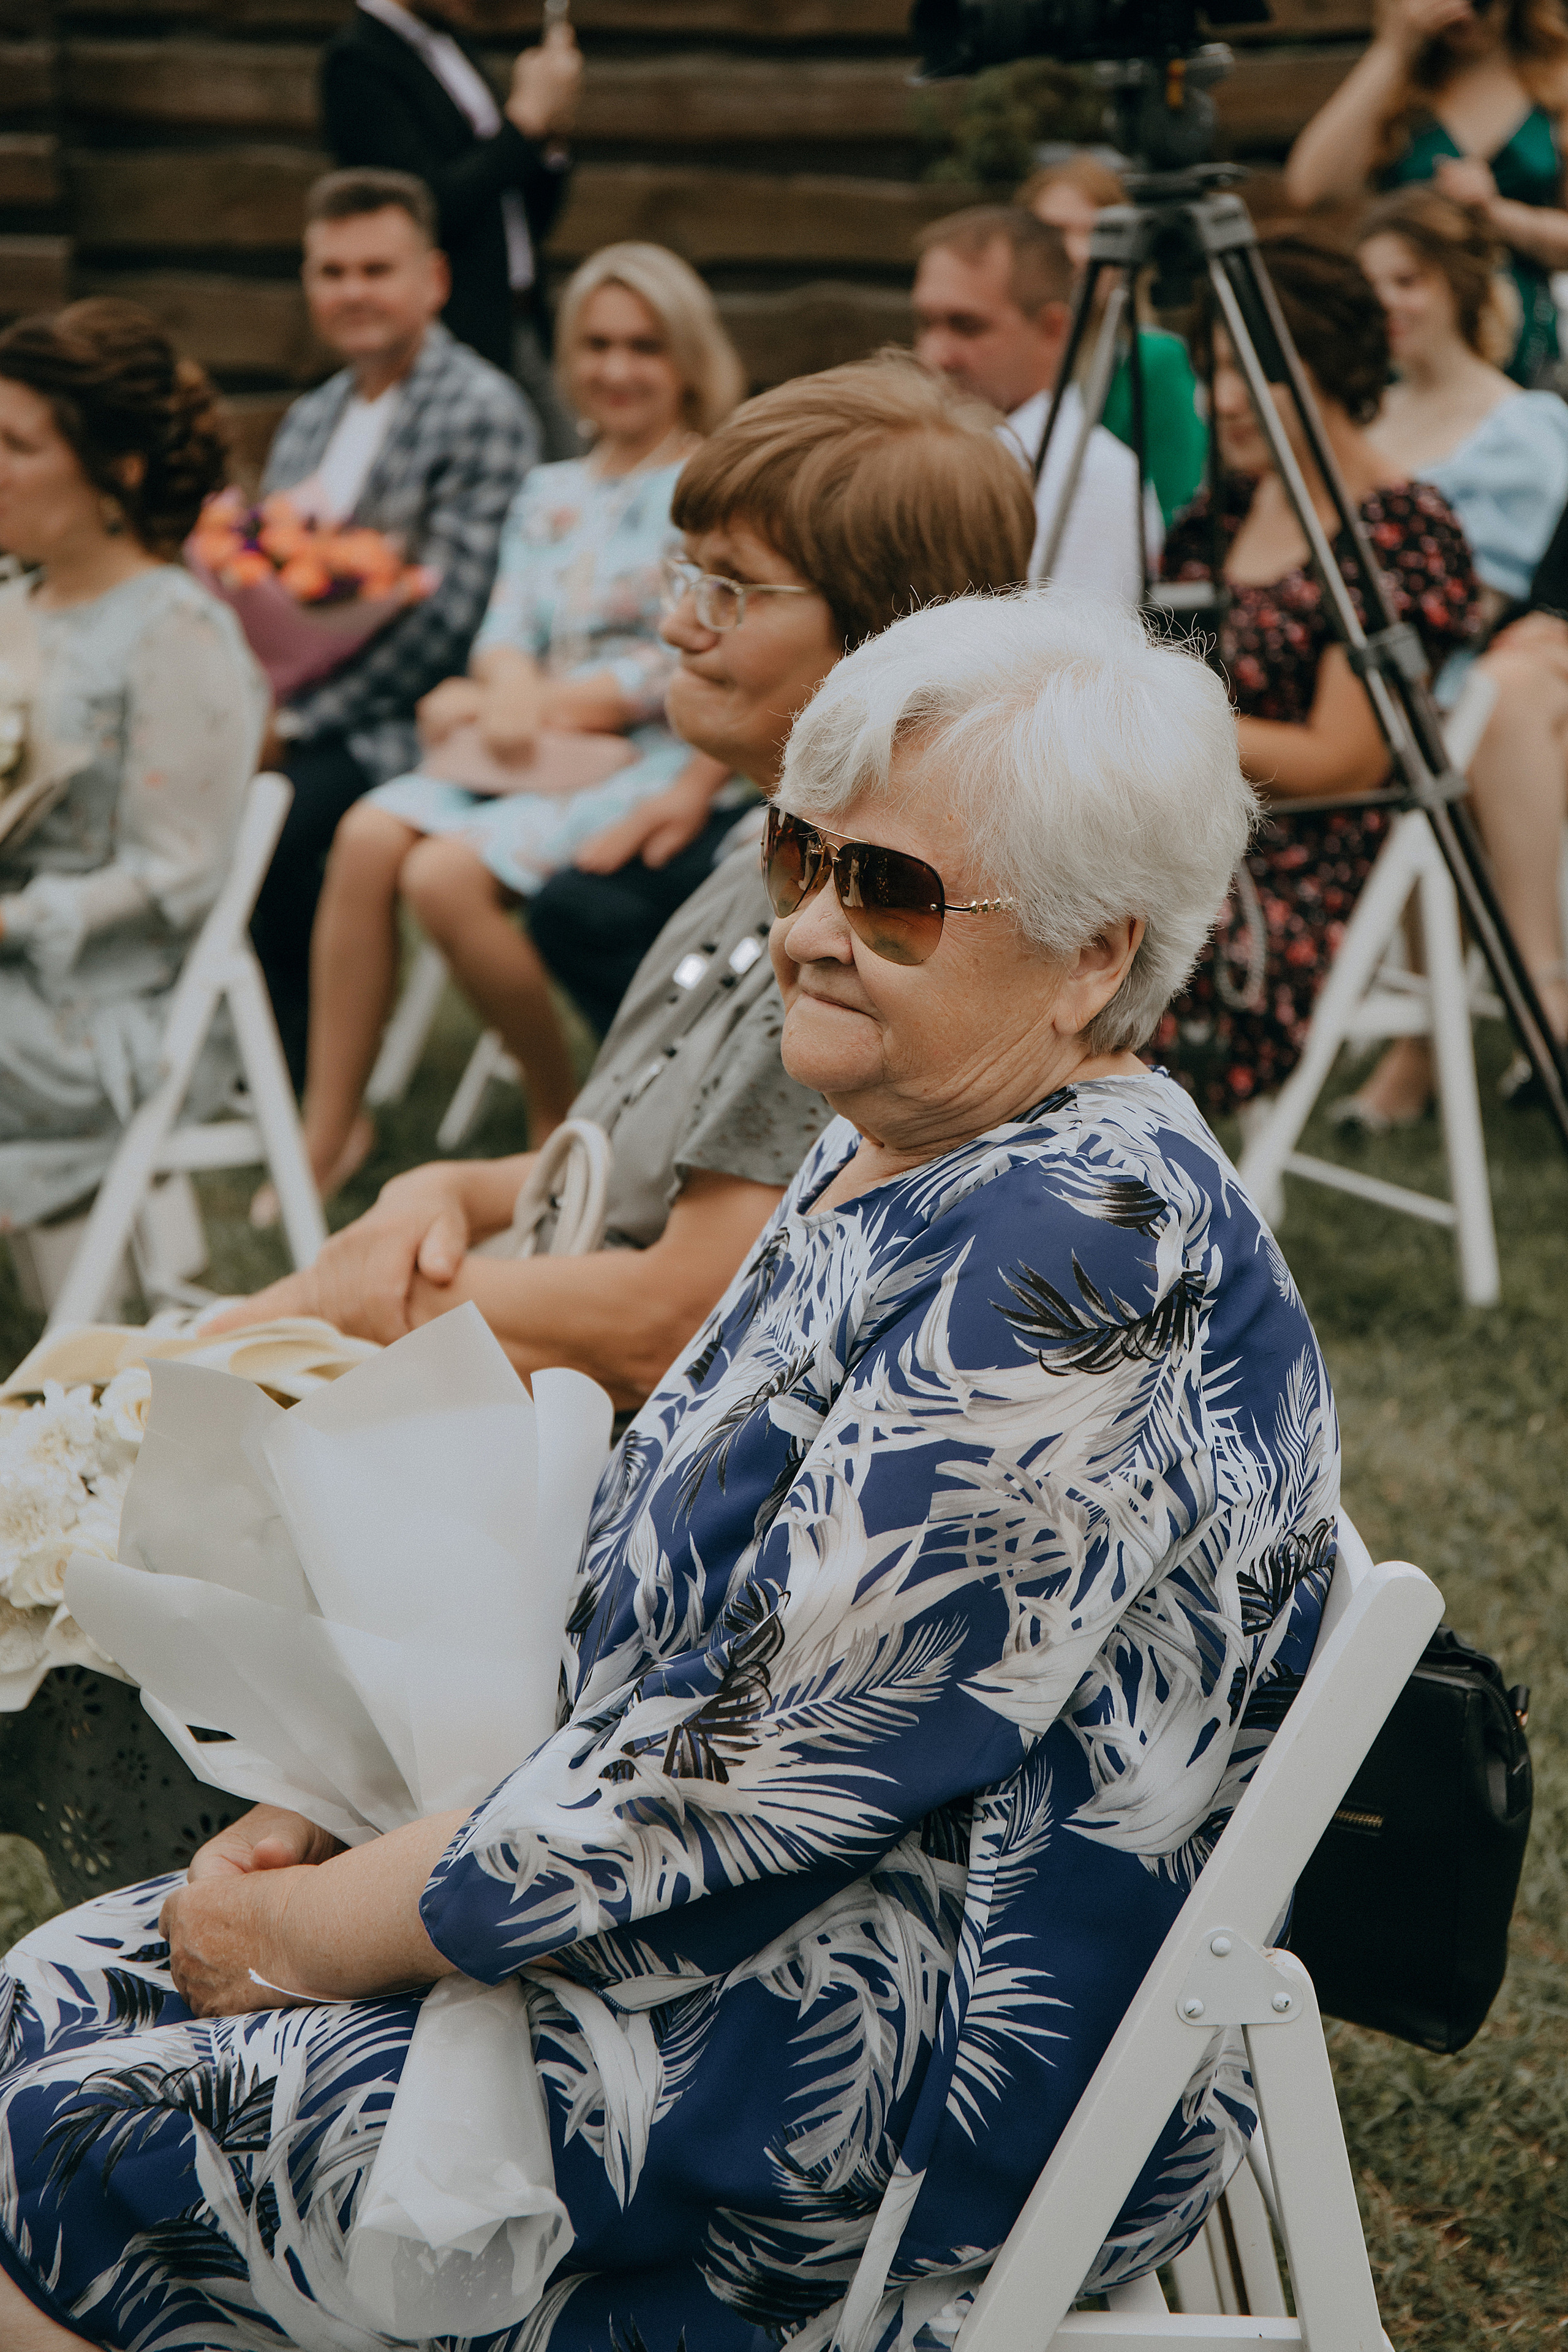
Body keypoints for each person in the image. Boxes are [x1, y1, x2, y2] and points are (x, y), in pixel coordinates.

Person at [0, 588, 1341, 2352]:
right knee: (43, 1993)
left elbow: (753, 1777)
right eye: (804, 854)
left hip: (855, 2059)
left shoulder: (1075, 1254)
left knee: (60, 2138)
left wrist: (324, 1927)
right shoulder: (900, 1141)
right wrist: (331, 1796)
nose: (808, 928)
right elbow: (656, 1617)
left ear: (1100, 952)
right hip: (693, 1921)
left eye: (895, 895)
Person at [212, 356, 1039, 1413]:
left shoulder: (871, 940)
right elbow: (627, 1154)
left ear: (887, 634)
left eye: (731, 589)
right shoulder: (761, 858)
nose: (680, 625)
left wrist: (332, 1312)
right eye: (685, 576)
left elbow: (671, 1321)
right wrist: (439, 1189)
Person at [288, 243, 746, 1204]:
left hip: (644, 751)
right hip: (530, 744)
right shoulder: (551, 491)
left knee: (444, 874)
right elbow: (505, 629)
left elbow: (681, 655)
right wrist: (500, 685)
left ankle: (556, 1104)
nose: (616, 369)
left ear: (687, 357)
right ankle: (327, 1124)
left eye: (644, 347)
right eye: (596, 345)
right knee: (367, 832)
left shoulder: (706, 489)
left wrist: (516, 699)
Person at [1152, 236, 1482, 1121]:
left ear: (1329, 365)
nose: (1217, 401)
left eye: (1250, 371)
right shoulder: (1216, 514)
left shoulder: (1398, 532)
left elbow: (1344, 761)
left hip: (1295, 872)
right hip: (1176, 830)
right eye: (1207, 371)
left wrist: (1155, 716)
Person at [250, 167, 537, 1091]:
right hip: (291, 710)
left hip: (405, 724)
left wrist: (288, 721)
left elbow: (447, 619)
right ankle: (234, 1045)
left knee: (281, 823)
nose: (353, 292)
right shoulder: (309, 419)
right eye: (332, 272)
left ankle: (300, 1076)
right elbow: (263, 577)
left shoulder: (482, 411)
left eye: (377, 269)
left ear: (435, 281)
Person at [0, 300, 268, 1231]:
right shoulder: (15, 600)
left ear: (116, 467)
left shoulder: (174, 630)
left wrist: (19, 919)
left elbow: (180, 874)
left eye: (17, 445)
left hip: (106, 1012)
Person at [1348, 183, 1568, 1120]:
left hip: (1480, 668)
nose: (1391, 303)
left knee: (1473, 702)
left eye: (1413, 281)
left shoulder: (1521, 425)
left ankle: (1530, 996)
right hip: (1379, 680)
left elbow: (1478, 605)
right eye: (1375, 286)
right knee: (1407, 720)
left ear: (1461, 290)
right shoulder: (1357, 422)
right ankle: (1447, 1032)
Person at [320, 0, 582, 454]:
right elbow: (423, 212)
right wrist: (524, 122)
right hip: (458, 329)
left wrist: (549, 133)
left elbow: (515, 209)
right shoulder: (358, 61)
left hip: (521, 316)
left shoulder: (450, 43)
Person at [1284, 0, 1568, 384]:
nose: (1464, 14)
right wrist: (1393, 49)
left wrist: (1498, 215)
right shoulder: (1398, 86)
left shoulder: (1556, 82)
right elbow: (1310, 188)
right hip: (1409, 344)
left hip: (1526, 351)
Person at [912, 204, 1159, 599]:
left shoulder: (1093, 476)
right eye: (926, 323)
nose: (935, 354)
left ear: (1052, 330)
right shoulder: (914, 451)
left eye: (967, 326)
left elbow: (1073, 652)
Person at [1019, 153, 1209, 522]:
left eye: (1096, 233)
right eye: (1054, 233)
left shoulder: (1152, 361)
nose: (1076, 253)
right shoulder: (997, 353)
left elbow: (1177, 507)